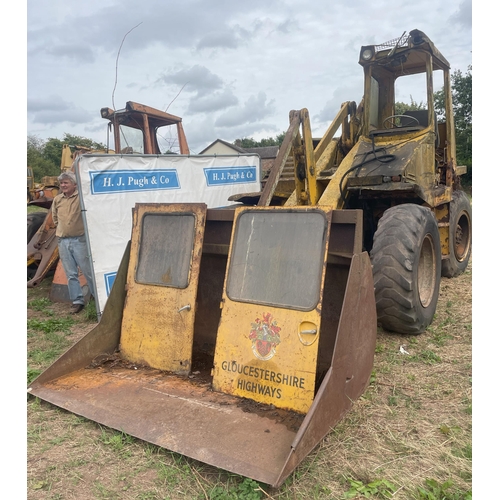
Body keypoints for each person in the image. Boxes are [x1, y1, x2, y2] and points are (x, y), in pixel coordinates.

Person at [52, 171, 95, 314]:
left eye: (66, 182)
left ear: (74, 184)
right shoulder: (57, 200)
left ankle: (97, 298)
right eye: (61, 183)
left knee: (88, 271)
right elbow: (55, 218)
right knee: (70, 274)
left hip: (79, 240)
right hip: (63, 241)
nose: (63, 185)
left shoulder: (81, 198)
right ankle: (77, 301)